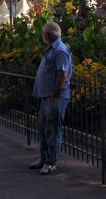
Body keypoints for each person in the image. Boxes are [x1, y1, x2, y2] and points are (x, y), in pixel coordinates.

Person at [29, 22, 72, 175]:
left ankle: (51, 162)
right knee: (43, 129)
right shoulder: (52, 49)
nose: (41, 35)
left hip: (55, 98)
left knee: (52, 130)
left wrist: (54, 94)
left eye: (42, 33)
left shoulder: (60, 51)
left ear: (47, 36)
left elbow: (63, 75)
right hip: (47, 97)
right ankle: (44, 158)